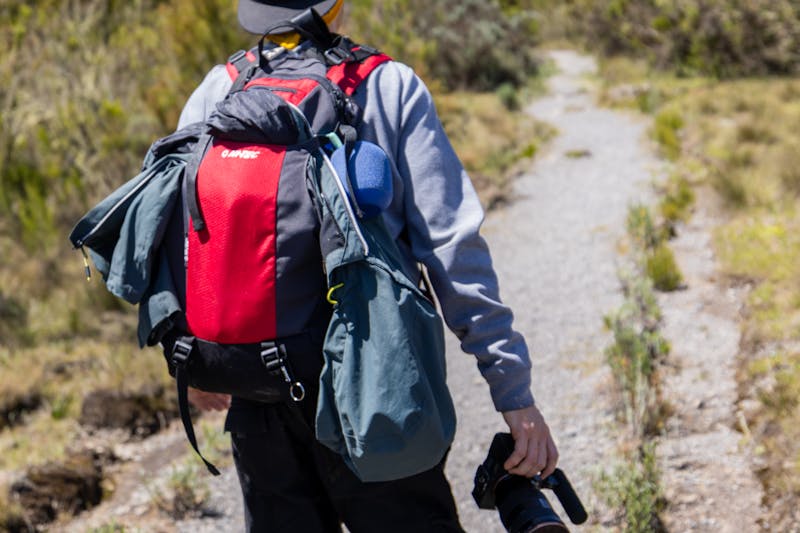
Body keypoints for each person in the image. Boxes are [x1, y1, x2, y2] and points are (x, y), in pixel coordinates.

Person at [175, 0, 559, 530]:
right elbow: (452, 246)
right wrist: (512, 392)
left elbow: (181, 239)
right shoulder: (388, 86)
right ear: (336, 6)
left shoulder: (219, 88)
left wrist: (195, 357)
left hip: (256, 381)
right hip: (378, 385)